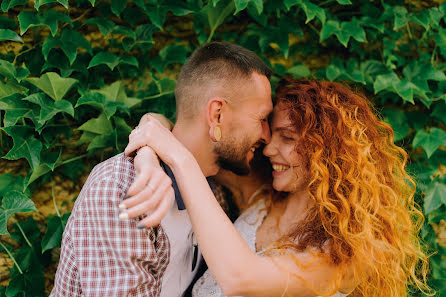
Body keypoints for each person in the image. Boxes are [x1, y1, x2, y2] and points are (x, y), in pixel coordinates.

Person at [122, 78, 432, 297]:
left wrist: (177, 159)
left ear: (326, 150)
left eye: (288, 138)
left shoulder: (345, 255)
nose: (269, 149)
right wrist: (148, 158)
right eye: (272, 136)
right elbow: (172, 128)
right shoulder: (261, 195)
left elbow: (240, 278)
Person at [50, 41, 273, 297]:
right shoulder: (122, 190)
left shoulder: (216, 189)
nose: (267, 136)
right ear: (217, 115)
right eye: (261, 118)